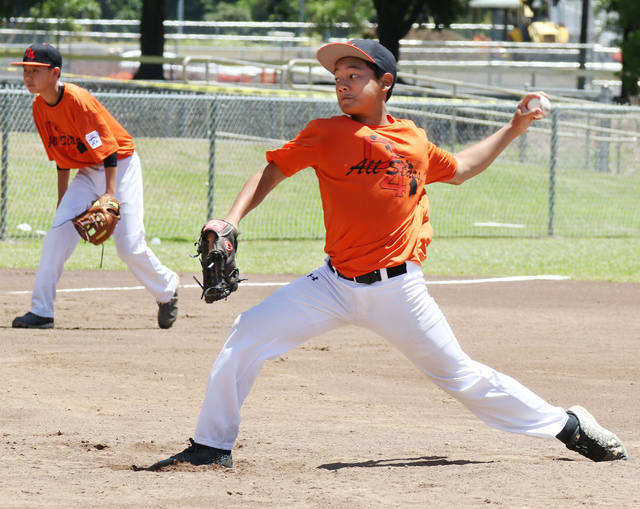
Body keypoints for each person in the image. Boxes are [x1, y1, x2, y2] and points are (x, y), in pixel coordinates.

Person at [143, 39, 628, 469]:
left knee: (458, 375)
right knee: (248, 333)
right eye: (338, 78)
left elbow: (459, 168)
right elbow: (270, 172)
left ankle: (568, 426)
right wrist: (229, 220)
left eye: (355, 76)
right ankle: (212, 445)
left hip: (397, 289)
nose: (343, 85)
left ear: (386, 83)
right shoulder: (326, 133)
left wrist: (515, 126)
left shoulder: (412, 139)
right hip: (332, 284)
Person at [11, 43, 179, 329]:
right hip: (88, 170)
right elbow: (62, 159)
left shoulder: (78, 101)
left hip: (120, 165)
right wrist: (62, 202)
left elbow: (109, 149)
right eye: (26, 70)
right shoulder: (40, 107)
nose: (28, 76)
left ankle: (167, 289)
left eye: (36, 71)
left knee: (128, 246)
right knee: (57, 232)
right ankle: (41, 311)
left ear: (54, 73)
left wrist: (110, 195)